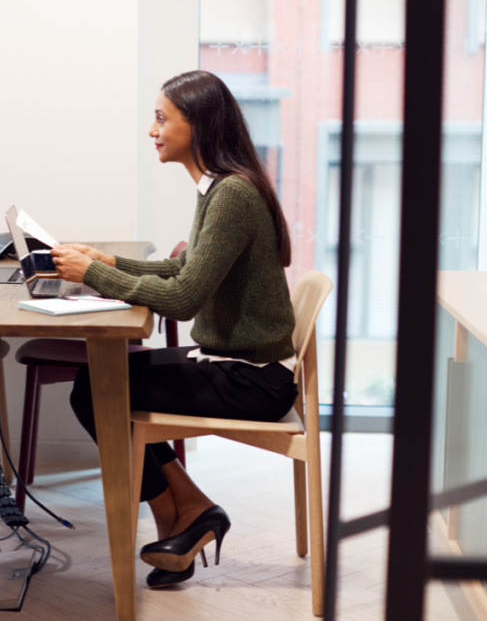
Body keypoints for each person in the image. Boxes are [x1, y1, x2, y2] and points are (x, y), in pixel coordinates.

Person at [51, 70, 299, 589]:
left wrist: (93, 274)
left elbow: (183, 300)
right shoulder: (220, 187)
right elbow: (182, 272)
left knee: (96, 388)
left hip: (250, 380)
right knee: (97, 384)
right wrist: (106, 260)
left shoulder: (231, 194)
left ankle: (183, 514)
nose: (152, 130)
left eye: (162, 119)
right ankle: (187, 512)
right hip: (235, 365)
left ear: (199, 125)